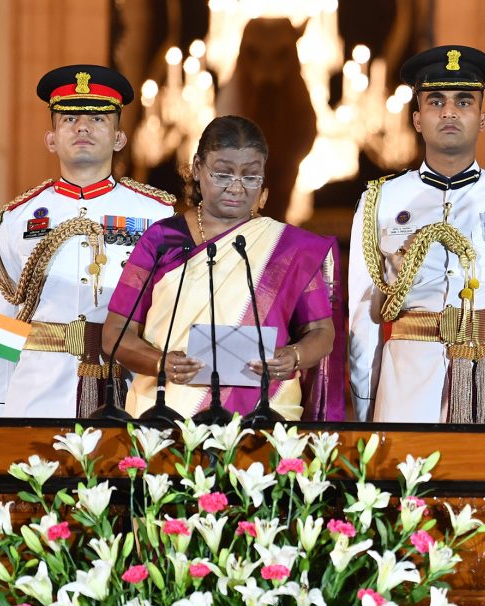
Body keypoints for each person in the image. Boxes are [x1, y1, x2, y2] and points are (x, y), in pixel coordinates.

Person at [347, 45, 485, 424]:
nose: (450, 112)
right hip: (407, 385)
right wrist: (365, 405)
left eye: (464, 102)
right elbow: (363, 317)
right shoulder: (381, 200)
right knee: (408, 485)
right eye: (436, 101)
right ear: (418, 119)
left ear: (482, 118)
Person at [103, 115, 344, 421]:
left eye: (251, 176)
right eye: (223, 173)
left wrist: (294, 356)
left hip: (265, 417)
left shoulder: (289, 248)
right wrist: (161, 363)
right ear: (197, 168)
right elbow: (115, 334)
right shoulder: (162, 241)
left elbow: (322, 332)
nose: (237, 187)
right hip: (167, 415)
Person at [0, 64, 176, 417]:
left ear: (120, 137)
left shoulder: (158, 215)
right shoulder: (16, 219)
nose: (83, 126)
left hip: (130, 388)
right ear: (51, 138)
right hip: (38, 393)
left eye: (98, 119)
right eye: (69, 118)